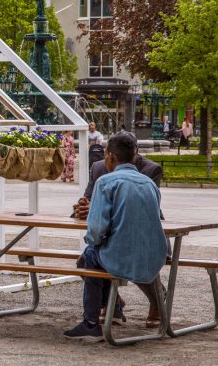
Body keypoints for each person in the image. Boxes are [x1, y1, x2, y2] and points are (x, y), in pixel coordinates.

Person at [64, 133, 167, 341]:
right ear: (133, 156)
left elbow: (96, 230)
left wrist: (94, 239)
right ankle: (112, 308)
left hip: (119, 255)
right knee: (94, 254)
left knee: (89, 256)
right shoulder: (149, 184)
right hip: (153, 254)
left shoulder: (106, 181)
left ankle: (91, 322)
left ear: (109, 156)